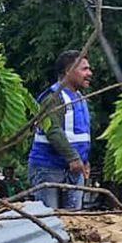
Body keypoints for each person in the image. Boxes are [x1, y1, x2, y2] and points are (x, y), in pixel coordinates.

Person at [27, 50, 93, 210]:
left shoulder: (79, 97)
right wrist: (73, 158)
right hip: (48, 167)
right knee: (48, 218)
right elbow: (53, 130)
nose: (89, 73)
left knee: (73, 219)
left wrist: (84, 160)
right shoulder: (53, 97)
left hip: (74, 169)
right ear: (68, 71)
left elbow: (79, 134)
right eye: (84, 69)